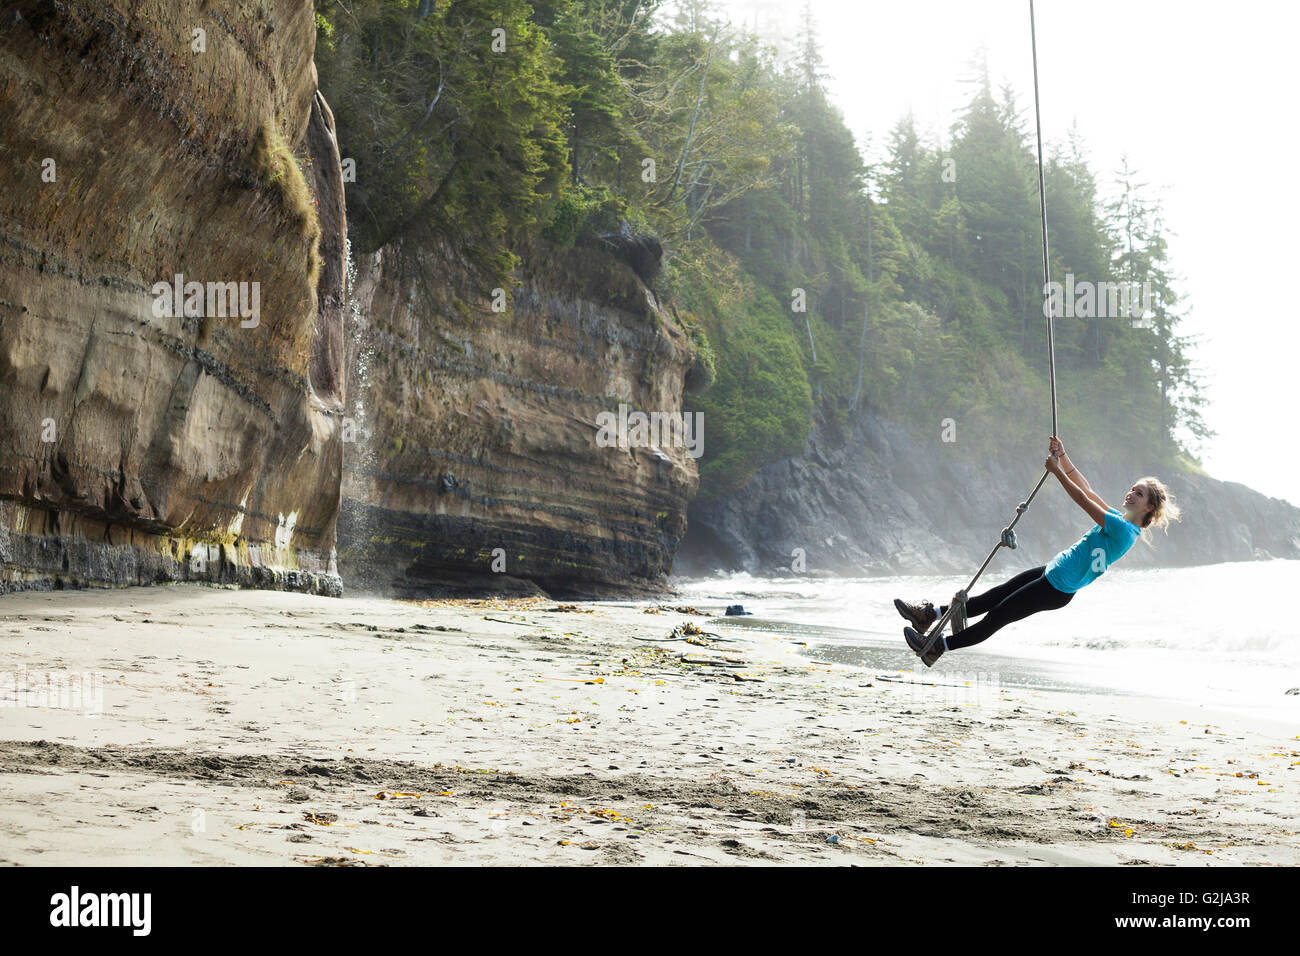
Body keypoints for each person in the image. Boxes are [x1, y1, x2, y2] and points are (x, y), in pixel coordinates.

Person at [894, 436, 1180, 667]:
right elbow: (1089, 490)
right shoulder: (1121, 520)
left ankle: (937, 647)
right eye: (1132, 488)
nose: (1131, 493)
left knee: (997, 616)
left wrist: (1056, 472)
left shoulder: (1123, 530)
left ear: (1149, 507)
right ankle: (928, 615)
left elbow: (1081, 500)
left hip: (1057, 587)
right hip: (1053, 571)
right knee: (991, 598)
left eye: (1139, 493)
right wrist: (1064, 456)